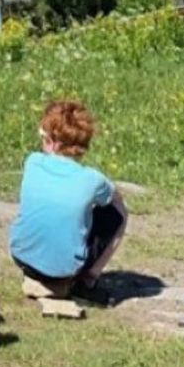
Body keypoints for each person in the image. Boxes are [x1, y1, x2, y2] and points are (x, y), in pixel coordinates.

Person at [8, 99, 127, 311]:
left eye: (42, 136)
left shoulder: (32, 161)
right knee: (116, 213)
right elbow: (117, 200)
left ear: (53, 142)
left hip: (21, 257)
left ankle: (42, 268)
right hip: (64, 270)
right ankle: (88, 280)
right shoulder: (92, 180)